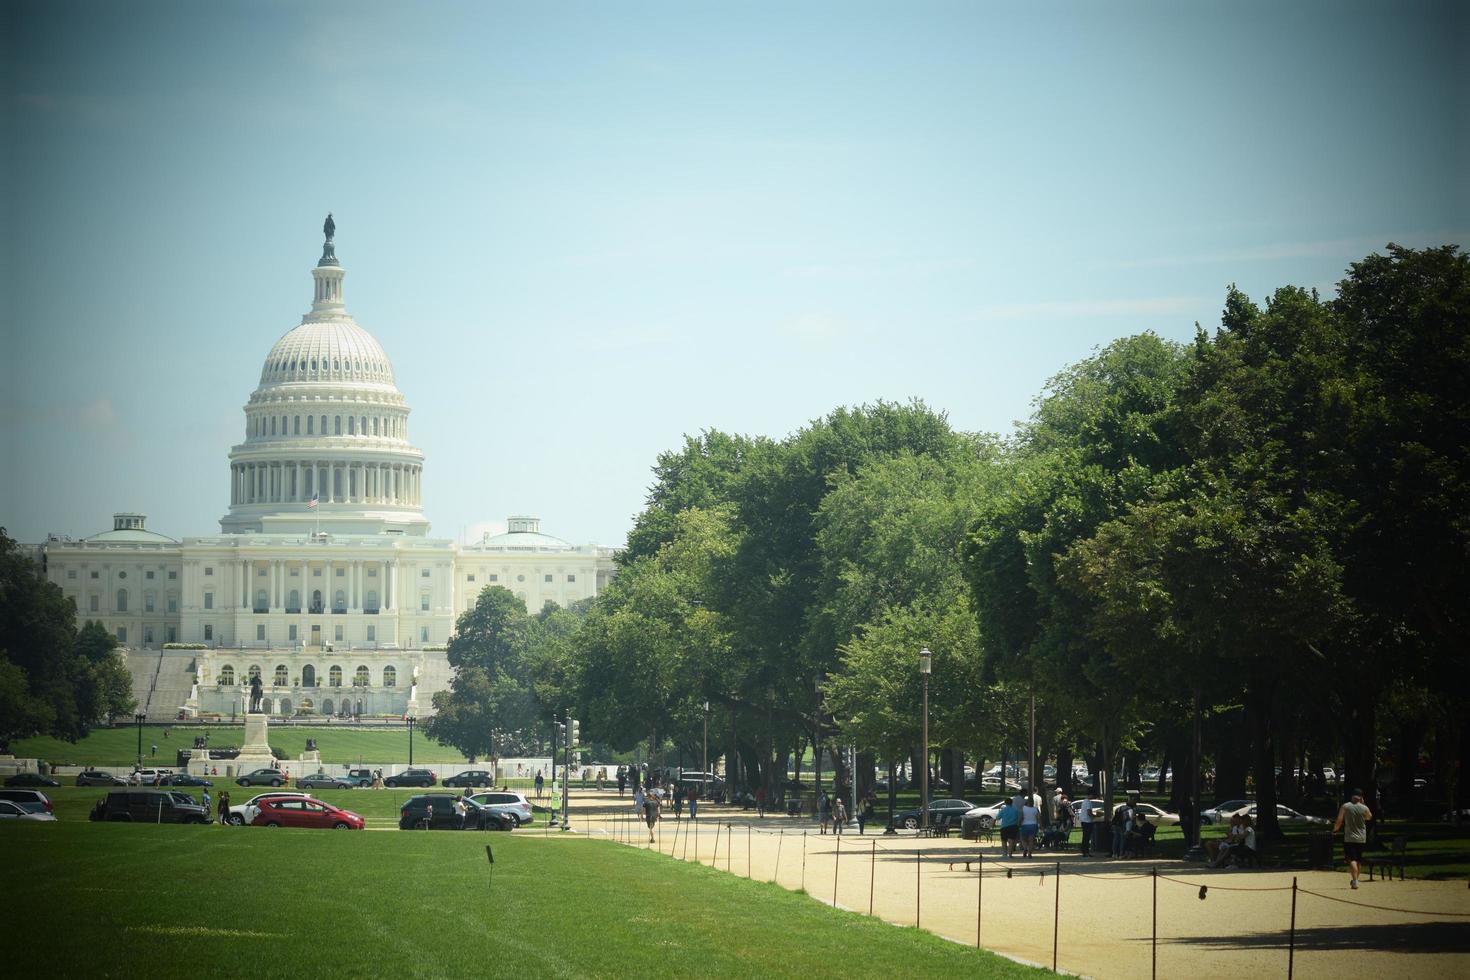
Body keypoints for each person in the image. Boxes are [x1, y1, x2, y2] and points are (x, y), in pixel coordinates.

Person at [1333, 788, 1374, 889]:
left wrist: (1335, 830)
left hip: (1349, 837)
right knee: (1358, 860)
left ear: (1352, 796)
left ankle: (1355, 880)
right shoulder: (1364, 808)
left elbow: (1339, 820)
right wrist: (1363, 804)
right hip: (1361, 838)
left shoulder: (1345, 806)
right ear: (1361, 797)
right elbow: (1369, 817)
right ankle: (1356, 880)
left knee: (1352, 859)